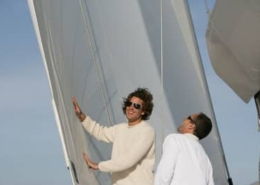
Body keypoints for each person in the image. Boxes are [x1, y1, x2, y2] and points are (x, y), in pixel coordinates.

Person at [72, 88, 155, 185]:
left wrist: (99, 166)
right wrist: (82, 116)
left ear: (143, 111)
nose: (131, 108)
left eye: (136, 106)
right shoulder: (120, 129)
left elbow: (129, 160)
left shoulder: (147, 131)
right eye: (129, 104)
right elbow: (100, 132)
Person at [154, 113, 214, 185]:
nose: (184, 118)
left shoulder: (175, 139)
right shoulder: (206, 158)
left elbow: (164, 174)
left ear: (191, 126)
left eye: (188, 118)